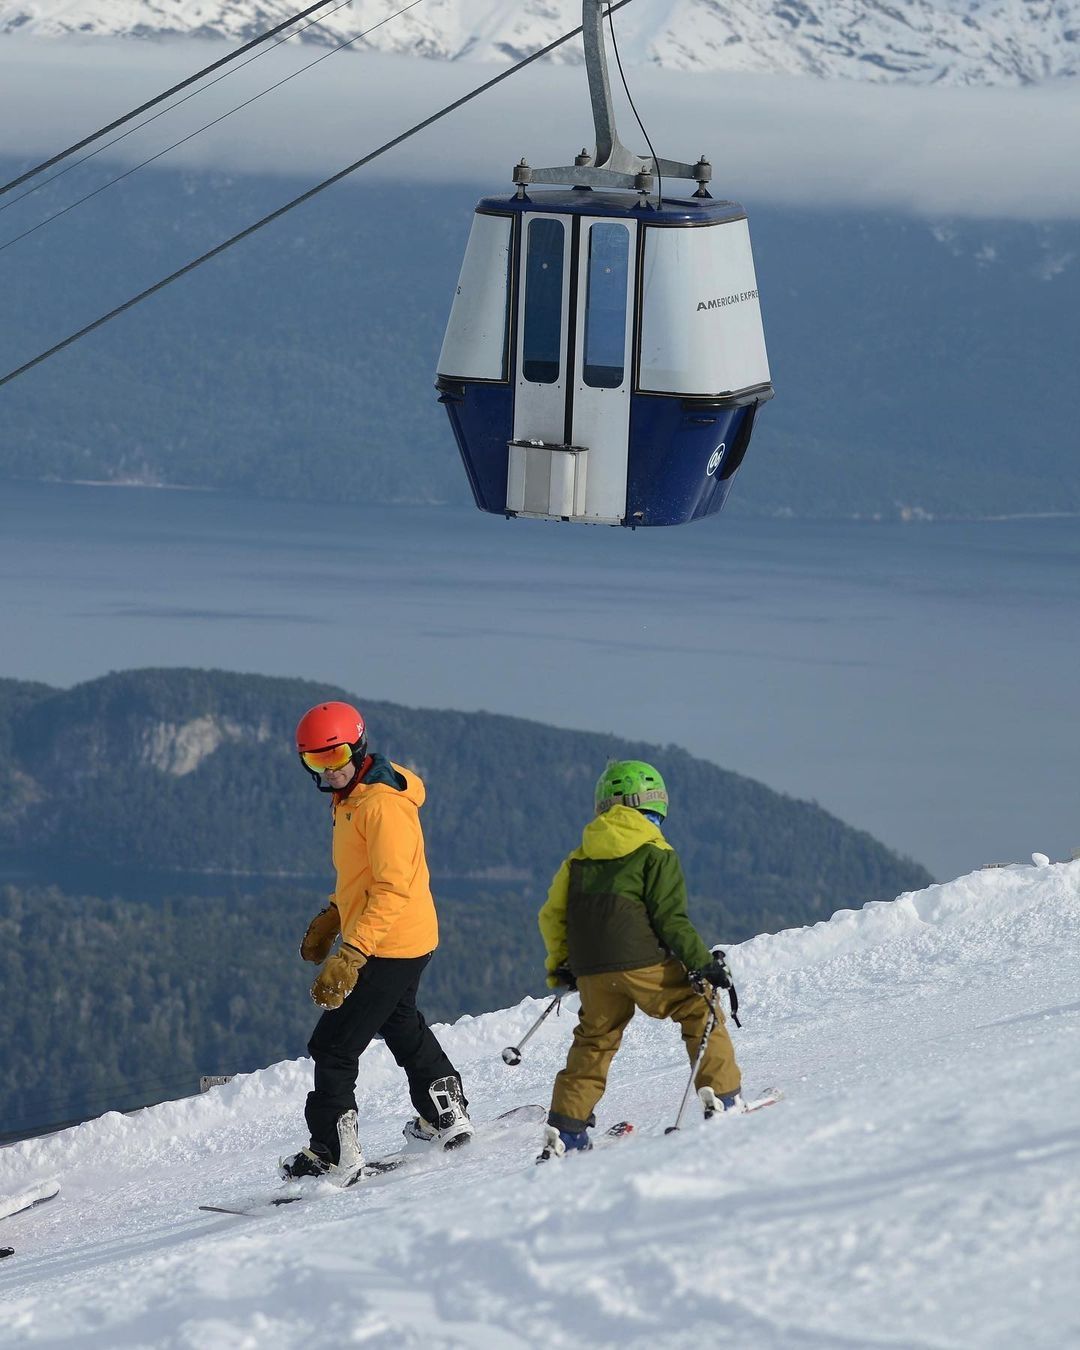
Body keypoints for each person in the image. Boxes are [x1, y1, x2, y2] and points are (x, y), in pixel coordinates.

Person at [280, 700, 472, 1186]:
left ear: (358, 746)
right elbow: (360, 878)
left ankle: (331, 1152)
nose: (331, 770)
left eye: (337, 755)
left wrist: (352, 953)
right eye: (317, 762)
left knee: (333, 1044)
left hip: (388, 942)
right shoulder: (353, 799)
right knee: (401, 1022)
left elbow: (391, 889)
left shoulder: (382, 805)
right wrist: (334, 913)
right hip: (399, 937)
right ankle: (446, 1113)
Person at [536, 759, 742, 1160]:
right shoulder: (656, 853)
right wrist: (703, 965)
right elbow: (671, 919)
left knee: (595, 1040)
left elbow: (551, 915)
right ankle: (724, 1100)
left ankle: (567, 1130)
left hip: (592, 971)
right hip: (643, 963)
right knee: (698, 1007)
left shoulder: (578, 859)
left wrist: (561, 965)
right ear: (656, 806)